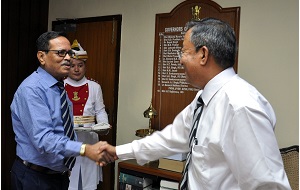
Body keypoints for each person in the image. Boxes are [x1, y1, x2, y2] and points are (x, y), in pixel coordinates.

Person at [99, 18, 291, 189]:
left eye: (184, 51)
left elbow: (267, 185)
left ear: (203, 55)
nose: (181, 60)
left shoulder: (240, 105)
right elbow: (170, 139)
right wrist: (118, 151)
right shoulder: (203, 99)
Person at [10, 31, 114, 190]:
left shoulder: (58, 87)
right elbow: (44, 140)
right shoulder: (32, 90)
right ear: (41, 57)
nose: (68, 58)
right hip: (35, 178)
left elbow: (62, 128)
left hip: (58, 175)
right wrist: (85, 149)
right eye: (60, 53)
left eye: (69, 53)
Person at [65, 39, 109, 190]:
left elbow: (100, 111)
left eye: (80, 65)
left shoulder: (95, 87)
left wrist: (103, 125)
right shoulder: (60, 86)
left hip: (90, 137)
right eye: (72, 66)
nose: (76, 69)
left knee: (89, 182)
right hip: (67, 139)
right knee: (68, 180)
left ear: (85, 66)